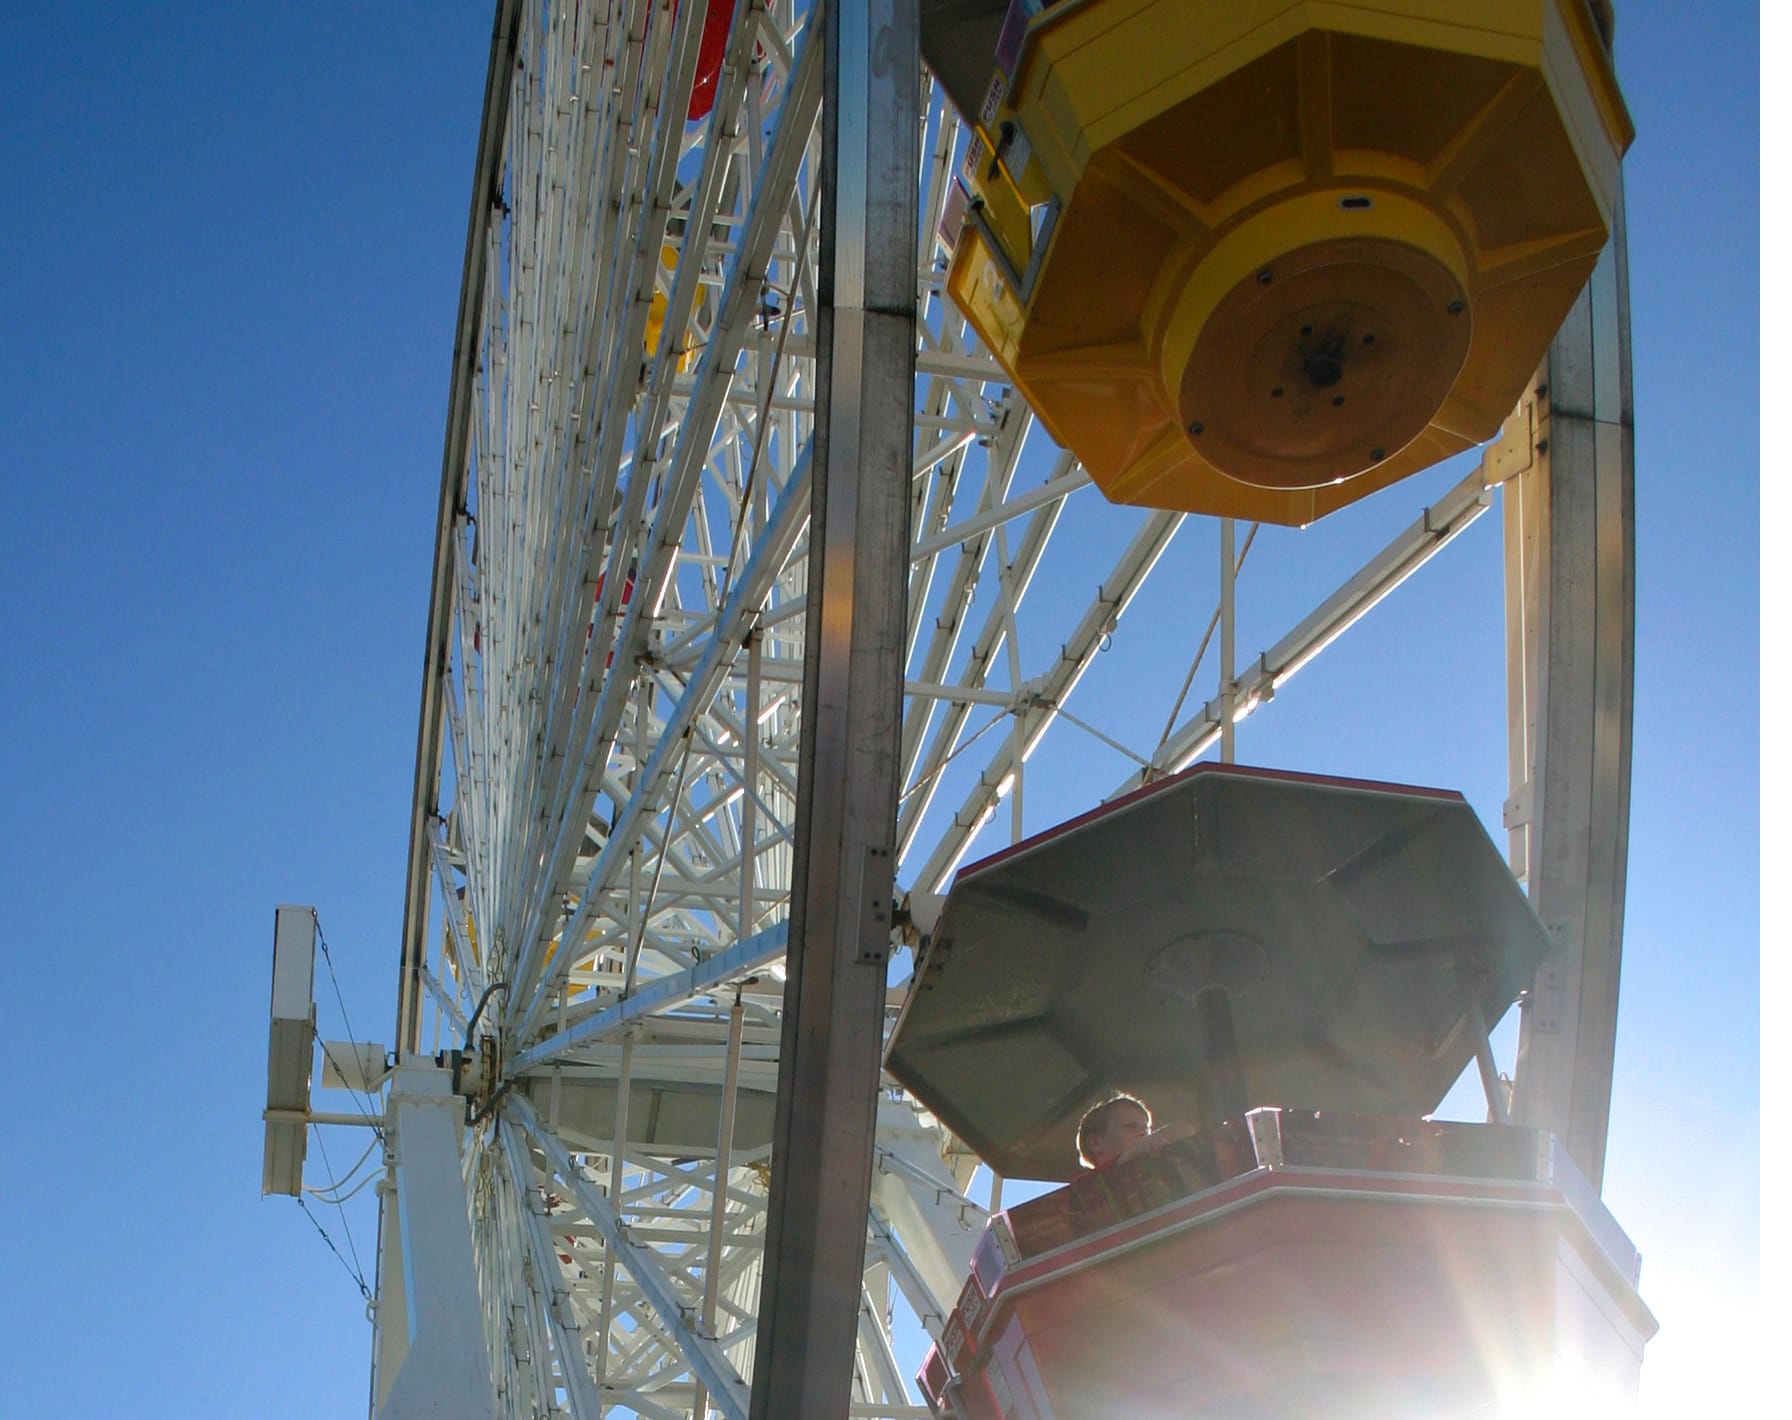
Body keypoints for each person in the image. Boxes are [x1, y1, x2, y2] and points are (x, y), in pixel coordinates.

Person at [1075, 1093, 1154, 1170]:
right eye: (1130, 1127)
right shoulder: (1085, 1183)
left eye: (1146, 1128)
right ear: (1095, 1143)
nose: (1143, 1133)